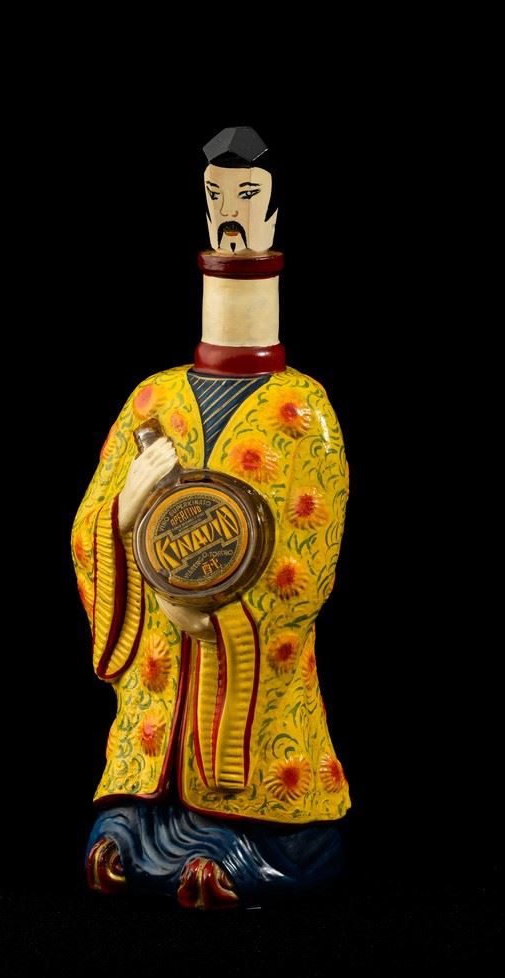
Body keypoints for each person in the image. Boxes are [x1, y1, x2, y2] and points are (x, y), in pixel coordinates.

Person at [72, 126, 350, 909]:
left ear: (273, 215)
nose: (230, 214)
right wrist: (126, 509)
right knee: (128, 827)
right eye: (215, 197)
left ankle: (246, 843)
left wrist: (207, 610)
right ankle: (145, 828)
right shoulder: (152, 398)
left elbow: (308, 557)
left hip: (251, 686)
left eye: (248, 196)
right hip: (161, 674)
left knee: (261, 803)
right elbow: (89, 528)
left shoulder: (302, 408)